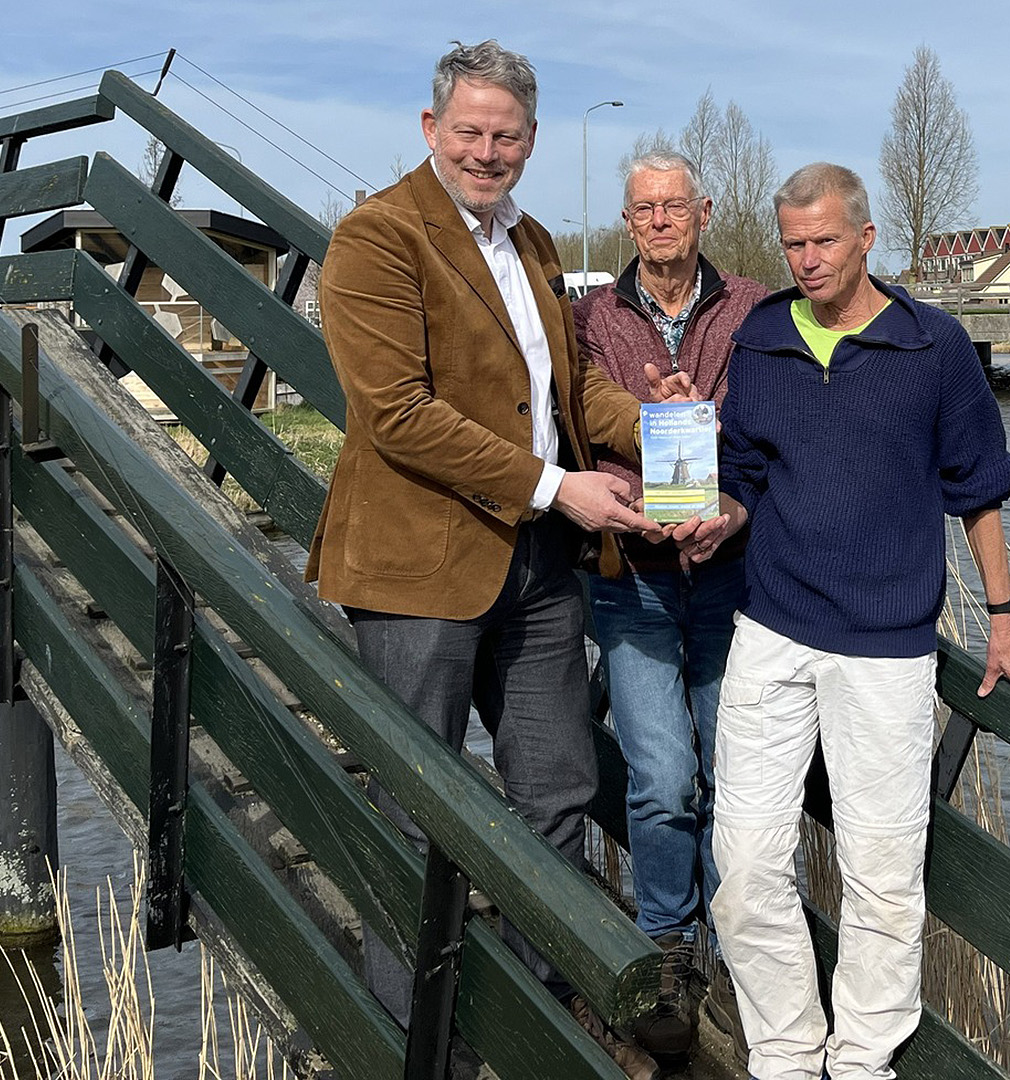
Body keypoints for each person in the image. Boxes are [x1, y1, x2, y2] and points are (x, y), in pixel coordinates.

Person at [306, 39, 688, 1080]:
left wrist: (655, 424)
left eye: (506, 135)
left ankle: (532, 1009)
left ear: (529, 142)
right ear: (432, 131)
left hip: (536, 565)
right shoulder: (377, 238)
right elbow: (398, 416)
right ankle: (409, 1039)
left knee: (556, 789)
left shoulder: (537, 244)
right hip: (418, 571)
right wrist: (558, 486)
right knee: (414, 804)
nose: (486, 151)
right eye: (469, 132)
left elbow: (564, 400)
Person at [670, 163, 1010, 1080]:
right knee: (748, 865)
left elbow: (979, 491)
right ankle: (787, 1055)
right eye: (792, 243)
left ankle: (863, 1061)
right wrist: (721, 513)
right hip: (772, 630)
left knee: (882, 877)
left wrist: (1002, 616)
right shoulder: (759, 341)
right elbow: (746, 474)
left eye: (823, 240)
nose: (806, 258)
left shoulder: (934, 347)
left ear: (866, 237)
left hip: (886, 649)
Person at [572, 150, 771, 1060]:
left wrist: (729, 498)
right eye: (643, 208)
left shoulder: (753, 309)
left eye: (674, 205)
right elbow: (580, 422)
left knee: (735, 780)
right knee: (659, 777)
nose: (658, 221)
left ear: (703, 212)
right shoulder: (593, 319)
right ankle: (668, 944)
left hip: (732, 580)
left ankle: (736, 953)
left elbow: (775, 428)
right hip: (636, 579)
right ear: (627, 221)